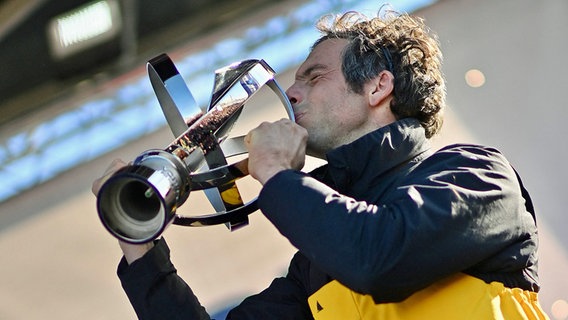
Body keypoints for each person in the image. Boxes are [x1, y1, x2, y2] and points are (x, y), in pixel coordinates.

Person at [92, 8, 550, 320]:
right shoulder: (315, 267)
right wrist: (139, 243)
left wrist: (276, 174)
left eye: (314, 77)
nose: (291, 95)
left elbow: (378, 258)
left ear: (378, 88)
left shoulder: (476, 174)